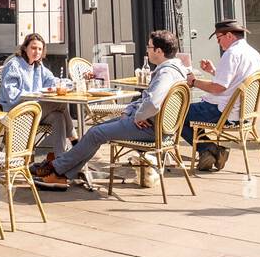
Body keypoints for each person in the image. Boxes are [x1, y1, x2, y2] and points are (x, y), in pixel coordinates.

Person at [32, 30, 188, 189]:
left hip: (150, 129)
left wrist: (138, 117)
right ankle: (62, 174)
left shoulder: (166, 73)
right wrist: (130, 111)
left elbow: (152, 103)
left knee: (95, 133)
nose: (147, 50)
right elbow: (147, 99)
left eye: (149, 47)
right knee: (96, 130)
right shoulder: (176, 69)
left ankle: (56, 169)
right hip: (157, 127)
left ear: (159, 51)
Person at [182, 19, 260, 172]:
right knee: (187, 113)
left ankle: (209, 149)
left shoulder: (232, 53)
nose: (219, 44)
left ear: (229, 35)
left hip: (224, 112)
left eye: (219, 39)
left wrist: (193, 81)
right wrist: (214, 71)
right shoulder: (253, 53)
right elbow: (235, 80)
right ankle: (208, 152)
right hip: (243, 113)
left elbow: (218, 87)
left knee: (176, 114)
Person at [0, 33, 74, 160]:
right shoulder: (14, 65)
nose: (37, 52)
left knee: (58, 116)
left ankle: (61, 161)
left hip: (34, 110)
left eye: (40, 49)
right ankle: (74, 138)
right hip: (17, 111)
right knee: (60, 103)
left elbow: (53, 80)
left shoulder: (38, 66)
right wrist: (33, 95)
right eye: (33, 48)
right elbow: (10, 95)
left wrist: (69, 83)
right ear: (25, 48)